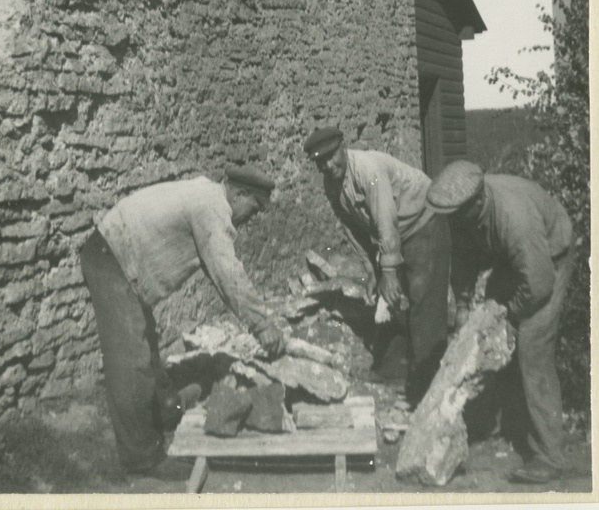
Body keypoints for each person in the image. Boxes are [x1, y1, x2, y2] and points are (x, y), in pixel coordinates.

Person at [80, 167, 286, 481]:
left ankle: (166, 412)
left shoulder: (207, 196)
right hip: (111, 258)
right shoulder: (210, 208)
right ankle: (142, 458)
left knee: (146, 344)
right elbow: (227, 274)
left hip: (120, 255)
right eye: (254, 207)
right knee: (131, 362)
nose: (252, 216)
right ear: (239, 194)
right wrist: (262, 325)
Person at [426, 160, 574, 485]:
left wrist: (508, 314)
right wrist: (464, 309)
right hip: (514, 259)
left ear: (478, 201)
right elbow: (464, 260)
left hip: (549, 257)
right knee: (489, 335)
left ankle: (551, 454)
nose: (451, 221)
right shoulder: (463, 214)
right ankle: (499, 422)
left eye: (456, 215)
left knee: (533, 348)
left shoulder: (514, 219)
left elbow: (538, 283)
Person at [303, 127, 450, 406]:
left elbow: (385, 220)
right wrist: (373, 270)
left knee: (423, 299)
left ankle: (428, 384)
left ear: (343, 148)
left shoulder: (367, 171)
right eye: (320, 162)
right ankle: (395, 368)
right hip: (394, 232)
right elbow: (351, 228)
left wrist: (390, 272)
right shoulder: (331, 183)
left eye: (331, 157)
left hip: (423, 221)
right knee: (390, 300)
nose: (327, 165)